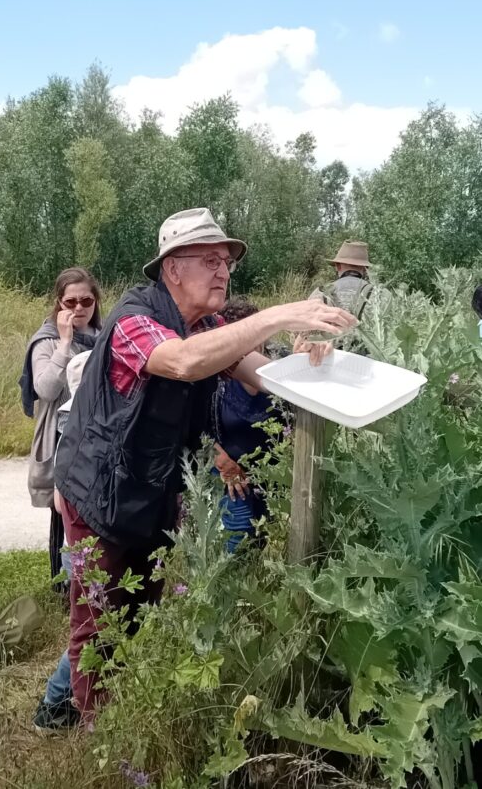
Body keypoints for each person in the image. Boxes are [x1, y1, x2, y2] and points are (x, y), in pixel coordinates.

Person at [55, 207, 356, 722]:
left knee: (136, 613)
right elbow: (184, 360)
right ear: (173, 268)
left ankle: (110, 716)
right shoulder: (134, 319)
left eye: (228, 263)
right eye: (211, 260)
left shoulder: (210, 326)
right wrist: (280, 314)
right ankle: (88, 732)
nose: (223, 271)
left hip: (152, 493)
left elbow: (266, 376)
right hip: (96, 492)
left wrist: (308, 361)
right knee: (98, 622)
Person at [20, 268, 101, 588]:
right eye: (71, 301)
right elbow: (46, 389)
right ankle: (65, 582)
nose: (79, 308)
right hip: (62, 435)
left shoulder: (103, 334)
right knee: (64, 511)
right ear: (59, 303)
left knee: (94, 511)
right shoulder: (47, 340)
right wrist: (65, 344)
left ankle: (91, 578)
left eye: (86, 300)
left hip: (98, 433)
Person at [32, 351, 91, 734]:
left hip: (83, 546)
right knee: (92, 626)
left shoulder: (77, 420)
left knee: (91, 624)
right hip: (89, 546)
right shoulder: (81, 424)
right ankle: (55, 704)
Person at [212, 298, 290, 553]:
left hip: (270, 470)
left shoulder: (279, 365)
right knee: (241, 530)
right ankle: (225, 583)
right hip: (228, 465)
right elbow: (192, 426)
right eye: (242, 335)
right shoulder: (214, 376)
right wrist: (222, 461)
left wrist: (309, 358)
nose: (252, 344)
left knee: (264, 530)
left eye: (255, 334)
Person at [311, 240, 373, 319]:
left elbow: (305, 326)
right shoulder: (381, 293)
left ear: (337, 266)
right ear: (365, 268)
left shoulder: (320, 292)